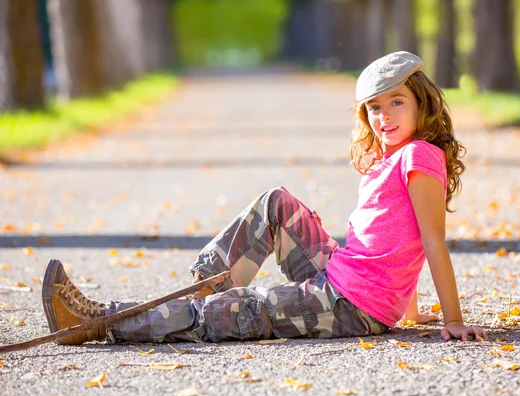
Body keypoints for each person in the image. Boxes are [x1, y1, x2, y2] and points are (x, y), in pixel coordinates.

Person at [42, 51, 487, 345]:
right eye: (374, 107)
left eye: (396, 102)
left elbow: (430, 240)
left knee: (240, 312)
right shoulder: (390, 159)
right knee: (276, 202)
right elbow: (393, 239)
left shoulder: (420, 157)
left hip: (352, 306)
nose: (384, 116)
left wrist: (451, 319)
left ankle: (97, 322)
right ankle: (207, 284)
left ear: (422, 103)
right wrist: (408, 310)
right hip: (342, 274)